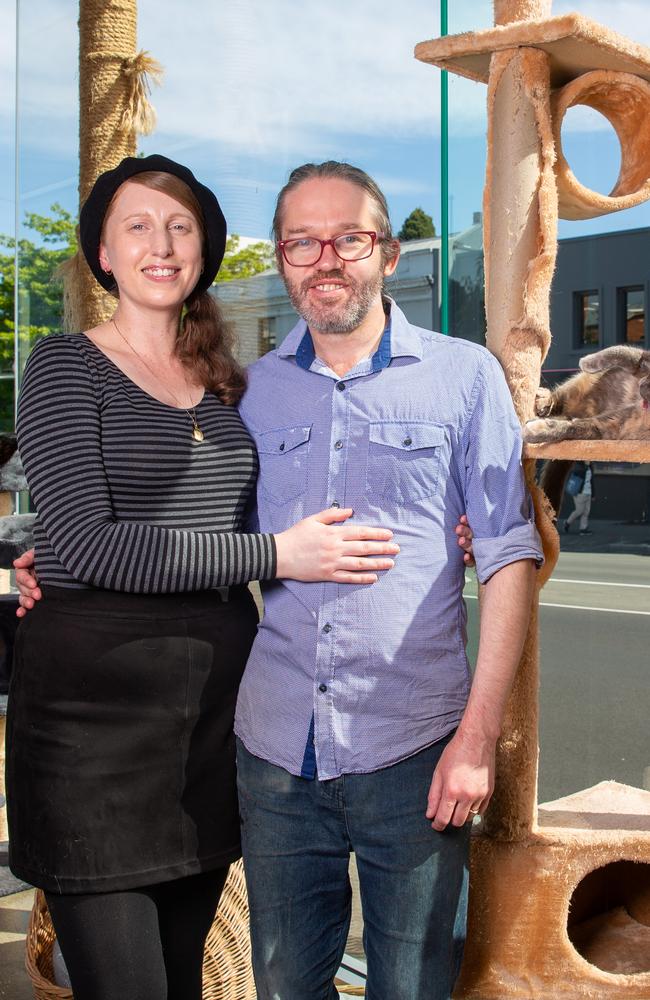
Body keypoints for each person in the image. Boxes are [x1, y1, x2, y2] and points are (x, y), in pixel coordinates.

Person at [6, 154, 401, 1000]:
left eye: (180, 226)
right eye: (137, 227)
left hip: (210, 730)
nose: (162, 243)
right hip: (91, 738)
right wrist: (278, 558)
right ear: (103, 255)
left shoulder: (232, 387)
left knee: (189, 984)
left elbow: (288, 497)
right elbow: (95, 544)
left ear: (205, 251)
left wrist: (457, 526)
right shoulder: (63, 367)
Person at [232, 161, 543, 1000]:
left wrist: (476, 742)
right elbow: (198, 541)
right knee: (283, 985)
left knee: (412, 985)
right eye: (302, 240)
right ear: (281, 258)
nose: (325, 258)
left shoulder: (465, 376)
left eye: (349, 238)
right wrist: (62, 569)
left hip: (416, 749)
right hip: (274, 748)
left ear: (389, 254)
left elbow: (512, 554)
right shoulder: (249, 394)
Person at [564, 460, 595, 535]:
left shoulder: (590, 467)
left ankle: (583, 529)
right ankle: (567, 522)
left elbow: (591, 481)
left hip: (588, 492)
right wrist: (586, 466)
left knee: (586, 512)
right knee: (579, 511)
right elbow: (577, 474)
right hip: (580, 492)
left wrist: (593, 494)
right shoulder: (578, 465)